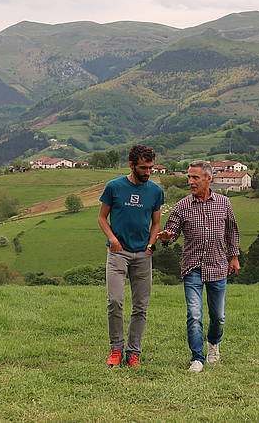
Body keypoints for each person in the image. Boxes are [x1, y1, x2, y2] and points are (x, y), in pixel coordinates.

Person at [157, 160, 241, 373]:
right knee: (194, 314)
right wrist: (167, 238)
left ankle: (213, 344)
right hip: (192, 267)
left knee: (218, 316)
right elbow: (171, 232)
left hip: (218, 266)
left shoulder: (224, 203)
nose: (190, 181)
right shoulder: (183, 205)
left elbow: (232, 231)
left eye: (195, 177)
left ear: (208, 178)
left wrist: (234, 257)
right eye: (189, 177)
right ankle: (197, 358)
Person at [98, 145, 163, 367]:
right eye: (143, 168)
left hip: (143, 254)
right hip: (118, 253)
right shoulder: (114, 187)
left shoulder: (155, 191)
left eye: (151, 168)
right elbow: (102, 218)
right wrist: (113, 239)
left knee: (140, 306)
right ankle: (116, 349)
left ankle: (133, 352)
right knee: (115, 301)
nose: (148, 172)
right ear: (131, 165)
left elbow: (156, 223)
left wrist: (151, 246)